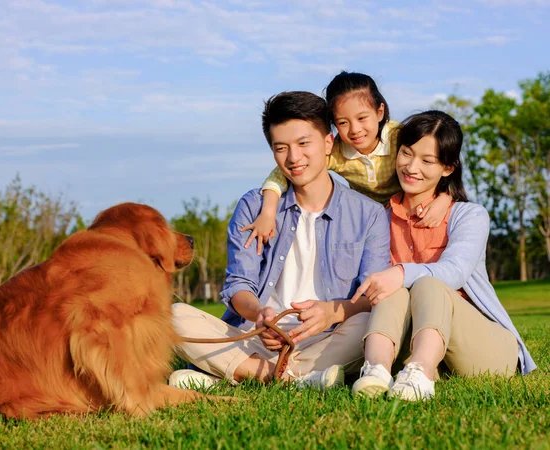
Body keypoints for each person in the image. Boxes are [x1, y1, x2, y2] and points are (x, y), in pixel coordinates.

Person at [169, 91, 396, 389]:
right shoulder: (254, 207)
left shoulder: (368, 214)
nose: (293, 158)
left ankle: (235, 375)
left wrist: (332, 312)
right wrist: (260, 315)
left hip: (327, 340)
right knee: (172, 316)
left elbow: (371, 296)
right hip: (255, 339)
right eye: (281, 148)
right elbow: (239, 285)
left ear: (328, 142)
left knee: (371, 324)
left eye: (304, 144)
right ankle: (291, 378)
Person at [348, 110, 536, 401]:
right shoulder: (380, 219)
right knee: (392, 290)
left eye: (427, 161)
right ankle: (376, 371)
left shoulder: (469, 216)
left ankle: (420, 374)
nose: (411, 167)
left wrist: (399, 273)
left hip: (485, 352)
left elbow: (454, 272)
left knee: (427, 282)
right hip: (413, 342)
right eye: (406, 154)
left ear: (447, 168)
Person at [244, 72, 452, 254]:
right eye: (343, 122)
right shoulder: (335, 151)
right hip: (371, 221)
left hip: (412, 209)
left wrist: (444, 197)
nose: (354, 130)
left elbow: (437, 163)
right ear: (334, 124)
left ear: (380, 112)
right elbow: (281, 173)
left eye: (362, 118)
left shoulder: (400, 137)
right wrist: (268, 212)